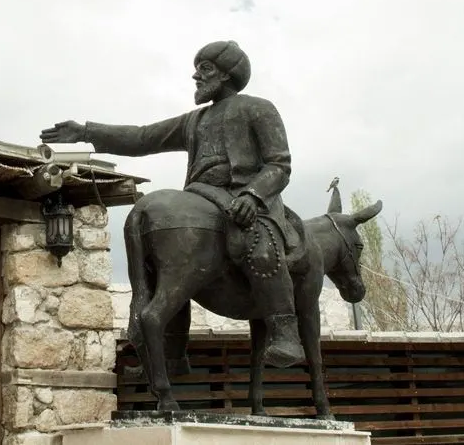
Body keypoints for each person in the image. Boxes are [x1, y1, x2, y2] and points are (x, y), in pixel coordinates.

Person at [40, 40, 305, 366]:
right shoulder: (193, 121)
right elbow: (141, 137)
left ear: (226, 74)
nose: (195, 76)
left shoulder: (258, 108)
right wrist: (85, 131)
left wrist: (253, 194)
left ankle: (285, 331)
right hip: (203, 197)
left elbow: (279, 165)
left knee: (263, 245)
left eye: (204, 68)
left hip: (248, 200)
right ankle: (170, 351)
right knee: (172, 258)